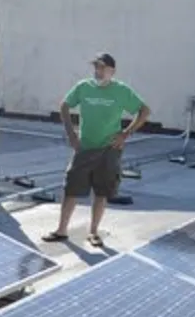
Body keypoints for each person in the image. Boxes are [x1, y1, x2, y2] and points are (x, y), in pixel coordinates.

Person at [41, 53, 150, 247]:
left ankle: (93, 232)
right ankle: (61, 230)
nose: (98, 72)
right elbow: (65, 105)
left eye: (102, 68)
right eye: (96, 67)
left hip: (109, 149)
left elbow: (144, 111)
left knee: (102, 191)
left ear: (112, 71)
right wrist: (71, 134)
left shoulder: (121, 91)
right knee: (71, 188)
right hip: (85, 147)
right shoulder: (84, 87)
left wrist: (125, 133)